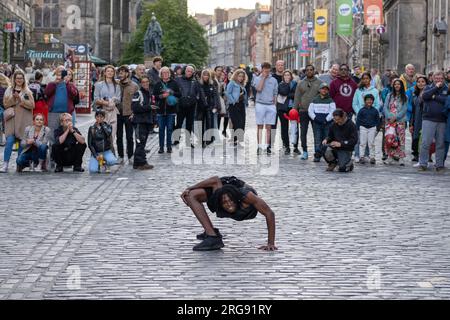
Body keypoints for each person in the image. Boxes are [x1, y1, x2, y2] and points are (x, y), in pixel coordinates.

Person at [181, 176, 277, 251]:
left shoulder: (246, 197)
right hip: (223, 187)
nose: (228, 205)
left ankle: (211, 233)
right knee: (190, 195)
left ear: (236, 200)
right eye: (225, 203)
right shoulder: (217, 197)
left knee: (222, 188)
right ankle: (212, 235)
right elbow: (215, 180)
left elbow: (269, 213)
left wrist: (271, 243)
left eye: (230, 201)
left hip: (241, 196)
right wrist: (188, 189)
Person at [1, 70, 35, 173]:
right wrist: (13, 98)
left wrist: (20, 99)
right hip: (11, 120)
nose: (19, 80)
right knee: (9, 141)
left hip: (23, 120)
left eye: (21, 78)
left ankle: (19, 164)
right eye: (17, 78)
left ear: (23, 79)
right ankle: (5, 164)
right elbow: (5, 104)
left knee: (21, 142)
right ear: (14, 79)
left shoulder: (27, 91)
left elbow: (32, 105)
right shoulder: (8, 90)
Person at [418, 71, 448, 172]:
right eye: (436, 78)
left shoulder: (447, 88)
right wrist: (435, 88)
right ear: (433, 79)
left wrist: (434, 97)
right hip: (428, 119)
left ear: (443, 79)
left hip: (442, 120)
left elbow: (446, 100)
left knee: (440, 144)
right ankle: (423, 164)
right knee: (426, 143)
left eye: (440, 79)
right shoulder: (428, 87)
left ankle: (439, 165)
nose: (438, 80)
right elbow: (425, 96)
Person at [293, 64, 322, 159]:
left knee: (316, 132)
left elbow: (323, 96)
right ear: (305, 72)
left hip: (315, 111)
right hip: (303, 111)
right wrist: (294, 110)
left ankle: (317, 152)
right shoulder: (300, 83)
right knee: (303, 132)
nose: (309, 71)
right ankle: (304, 151)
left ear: (314, 71)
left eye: (311, 70)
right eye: (307, 70)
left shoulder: (319, 82)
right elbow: (297, 97)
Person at [44, 66, 79, 146]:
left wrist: (67, 83)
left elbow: (74, 94)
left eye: (63, 71)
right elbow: (46, 93)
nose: (61, 73)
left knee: (66, 133)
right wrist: (54, 83)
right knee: (52, 135)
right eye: (59, 71)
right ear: (56, 73)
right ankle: (53, 156)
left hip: (66, 113)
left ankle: (65, 155)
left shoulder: (69, 84)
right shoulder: (52, 83)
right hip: (53, 113)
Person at [352, 72, 381, 162]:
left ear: (370, 79)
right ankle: (358, 155)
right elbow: (355, 103)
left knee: (370, 139)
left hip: (371, 117)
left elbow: (377, 104)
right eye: (363, 78)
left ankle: (368, 155)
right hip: (361, 117)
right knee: (360, 138)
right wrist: (359, 112)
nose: (365, 80)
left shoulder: (375, 91)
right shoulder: (358, 90)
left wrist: (371, 112)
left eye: (367, 78)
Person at [252, 62, 278, 155]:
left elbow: (275, 93)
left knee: (269, 127)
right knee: (260, 126)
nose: (266, 70)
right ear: (262, 69)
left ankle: (267, 146)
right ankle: (259, 146)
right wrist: (263, 77)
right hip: (260, 104)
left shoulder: (274, 80)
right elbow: (258, 89)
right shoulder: (257, 78)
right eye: (265, 68)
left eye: (268, 68)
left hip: (270, 105)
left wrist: (274, 105)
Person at [153, 66, 181, 153]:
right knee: (161, 129)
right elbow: (154, 96)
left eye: (167, 72)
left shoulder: (174, 83)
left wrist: (171, 92)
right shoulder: (157, 84)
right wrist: (162, 96)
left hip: (171, 110)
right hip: (160, 110)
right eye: (163, 73)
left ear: (169, 74)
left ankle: (169, 147)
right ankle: (161, 147)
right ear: (161, 74)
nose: (165, 74)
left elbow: (179, 94)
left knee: (169, 129)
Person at [174, 65, 204, 147]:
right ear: (185, 71)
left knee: (189, 124)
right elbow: (174, 90)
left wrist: (195, 99)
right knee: (179, 123)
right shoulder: (178, 79)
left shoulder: (195, 81)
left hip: (191, 105)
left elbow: (198, 92)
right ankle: (176, 139)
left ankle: (188, 140)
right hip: (181, 104)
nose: (189, 73)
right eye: (188, 71)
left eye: (191, 71)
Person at [93, 65, 121, 147]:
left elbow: (118, 99)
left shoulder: (117, 85)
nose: (110, 73)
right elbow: (96, 99)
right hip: (102, 112)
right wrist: (107, 102)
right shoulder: (98, 85)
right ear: (104, 73)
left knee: (112, 135)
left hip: (113, 112)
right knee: (101, 134)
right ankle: (101, 155)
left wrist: (112, 101)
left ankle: (110, 154)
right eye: (108, 71)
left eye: (112, 71)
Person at [130, 76, 154, 170]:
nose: (145, 83)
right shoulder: (137, 93)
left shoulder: (150, 93)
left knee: (142, 143)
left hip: (147, 121)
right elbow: (135, 108)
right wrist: (149, 107)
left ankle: (137, 163)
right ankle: (142, 162)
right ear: (140, 83)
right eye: (143, 82)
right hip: (139, 122)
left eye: (147, 81)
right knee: (140, 143)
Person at [308, 82, 336, 162]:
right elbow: (310, 111)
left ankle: (326, 155)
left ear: (328, 91)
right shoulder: (314, 100)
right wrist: (315, 118)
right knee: (317, 138)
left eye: (326, 89)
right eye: (322, 89)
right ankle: (317, 154)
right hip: (317, 123)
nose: (324, 90)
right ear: (319, 90)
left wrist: (326, 120)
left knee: (326, 138)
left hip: (327, 123)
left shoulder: (330, 100)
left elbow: (332, 111)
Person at [383, 79, 408, 166]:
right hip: (389, 122)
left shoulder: (405, 97)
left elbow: (404, 109)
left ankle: (401, 158)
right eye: (395, 84)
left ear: (401, 86)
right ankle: (389, 157)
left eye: (399, 84)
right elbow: (385, 107)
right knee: (389, 139)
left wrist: (396, 117)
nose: (397, 86)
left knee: (401, 140)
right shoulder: (389, 96)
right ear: (393, 86)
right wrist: (389, 116)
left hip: (400, 122)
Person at [117, 65, 139, 163]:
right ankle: (120, 156)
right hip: (117, 113)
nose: (120, 74)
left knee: (129, 136)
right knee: (119, 136)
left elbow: (137, 101)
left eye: (122, 72)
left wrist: (134, 113)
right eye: (119, 72)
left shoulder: (134, 85)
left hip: (129, 113)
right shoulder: (116, 84)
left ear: (127, 73)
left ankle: (130, 156)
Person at [225, 69, 248, 146]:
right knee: (236, 123)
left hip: (241, 105)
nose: (241, 78)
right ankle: (235, 140)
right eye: (239, 76)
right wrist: (233, 101)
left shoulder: (242, 84)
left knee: (242, 122)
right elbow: (227, 93)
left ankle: (238, 139)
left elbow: (244, 95)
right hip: (234, 105)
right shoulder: (232, 83)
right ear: (236, 76)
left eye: (242, 76)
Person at [277, 70, 297, 154]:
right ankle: (286, 146)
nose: (286, 77)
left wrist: (290, 94)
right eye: (285, 75)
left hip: (293, 109)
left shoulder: (295, 83)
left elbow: (296, 94)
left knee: (294, 128)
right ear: (283, 77)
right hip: (283, 109)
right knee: (284, 128)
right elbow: (283, 92)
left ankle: (295, 147)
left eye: (288, 75)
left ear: (291, 76)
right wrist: (290, 90)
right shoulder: (281, 84)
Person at [198, 69, 220, 147]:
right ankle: (201, 140)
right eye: (204, 75)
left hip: (209, 107)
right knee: (200, 123)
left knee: (209, 123)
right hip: (200, 107)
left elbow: (215, 96)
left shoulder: (211, 85)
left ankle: (208, 140)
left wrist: (216, 106)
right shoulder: (199, 84)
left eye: (207, 75)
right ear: (202, 76)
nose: (205, 76)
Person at [409, 75, 428, 163]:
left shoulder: (429, 93)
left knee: (425, 137)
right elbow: (413, 110)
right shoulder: (414, 94)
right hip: (416, 118)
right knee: (415, 136)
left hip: (426, 118)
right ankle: (416, 154)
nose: (420, 83)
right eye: (419, 82)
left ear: (426, 83)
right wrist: (411, 123)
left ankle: (427, 154)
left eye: (423, 81)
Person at [356, 94, 380, 165]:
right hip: (363, 127)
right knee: (362, 143)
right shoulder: (361, 110)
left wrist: (377, 128)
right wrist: (358, 128)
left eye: (371, 100)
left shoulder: (375, 110)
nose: (369, 101)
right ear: (365, 101)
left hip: (372, 128)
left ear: (373, 101)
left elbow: (377, 120)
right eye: (367, 100)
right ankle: (361, 157)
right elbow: (358, 120)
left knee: (371, 143)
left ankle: (372, 157)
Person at [0, 73, 11, 146]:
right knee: (4, 125)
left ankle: (1, 140)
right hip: (6, 108)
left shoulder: (2, 88)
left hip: (1, 107)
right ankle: (5, 140)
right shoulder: (7, 87)